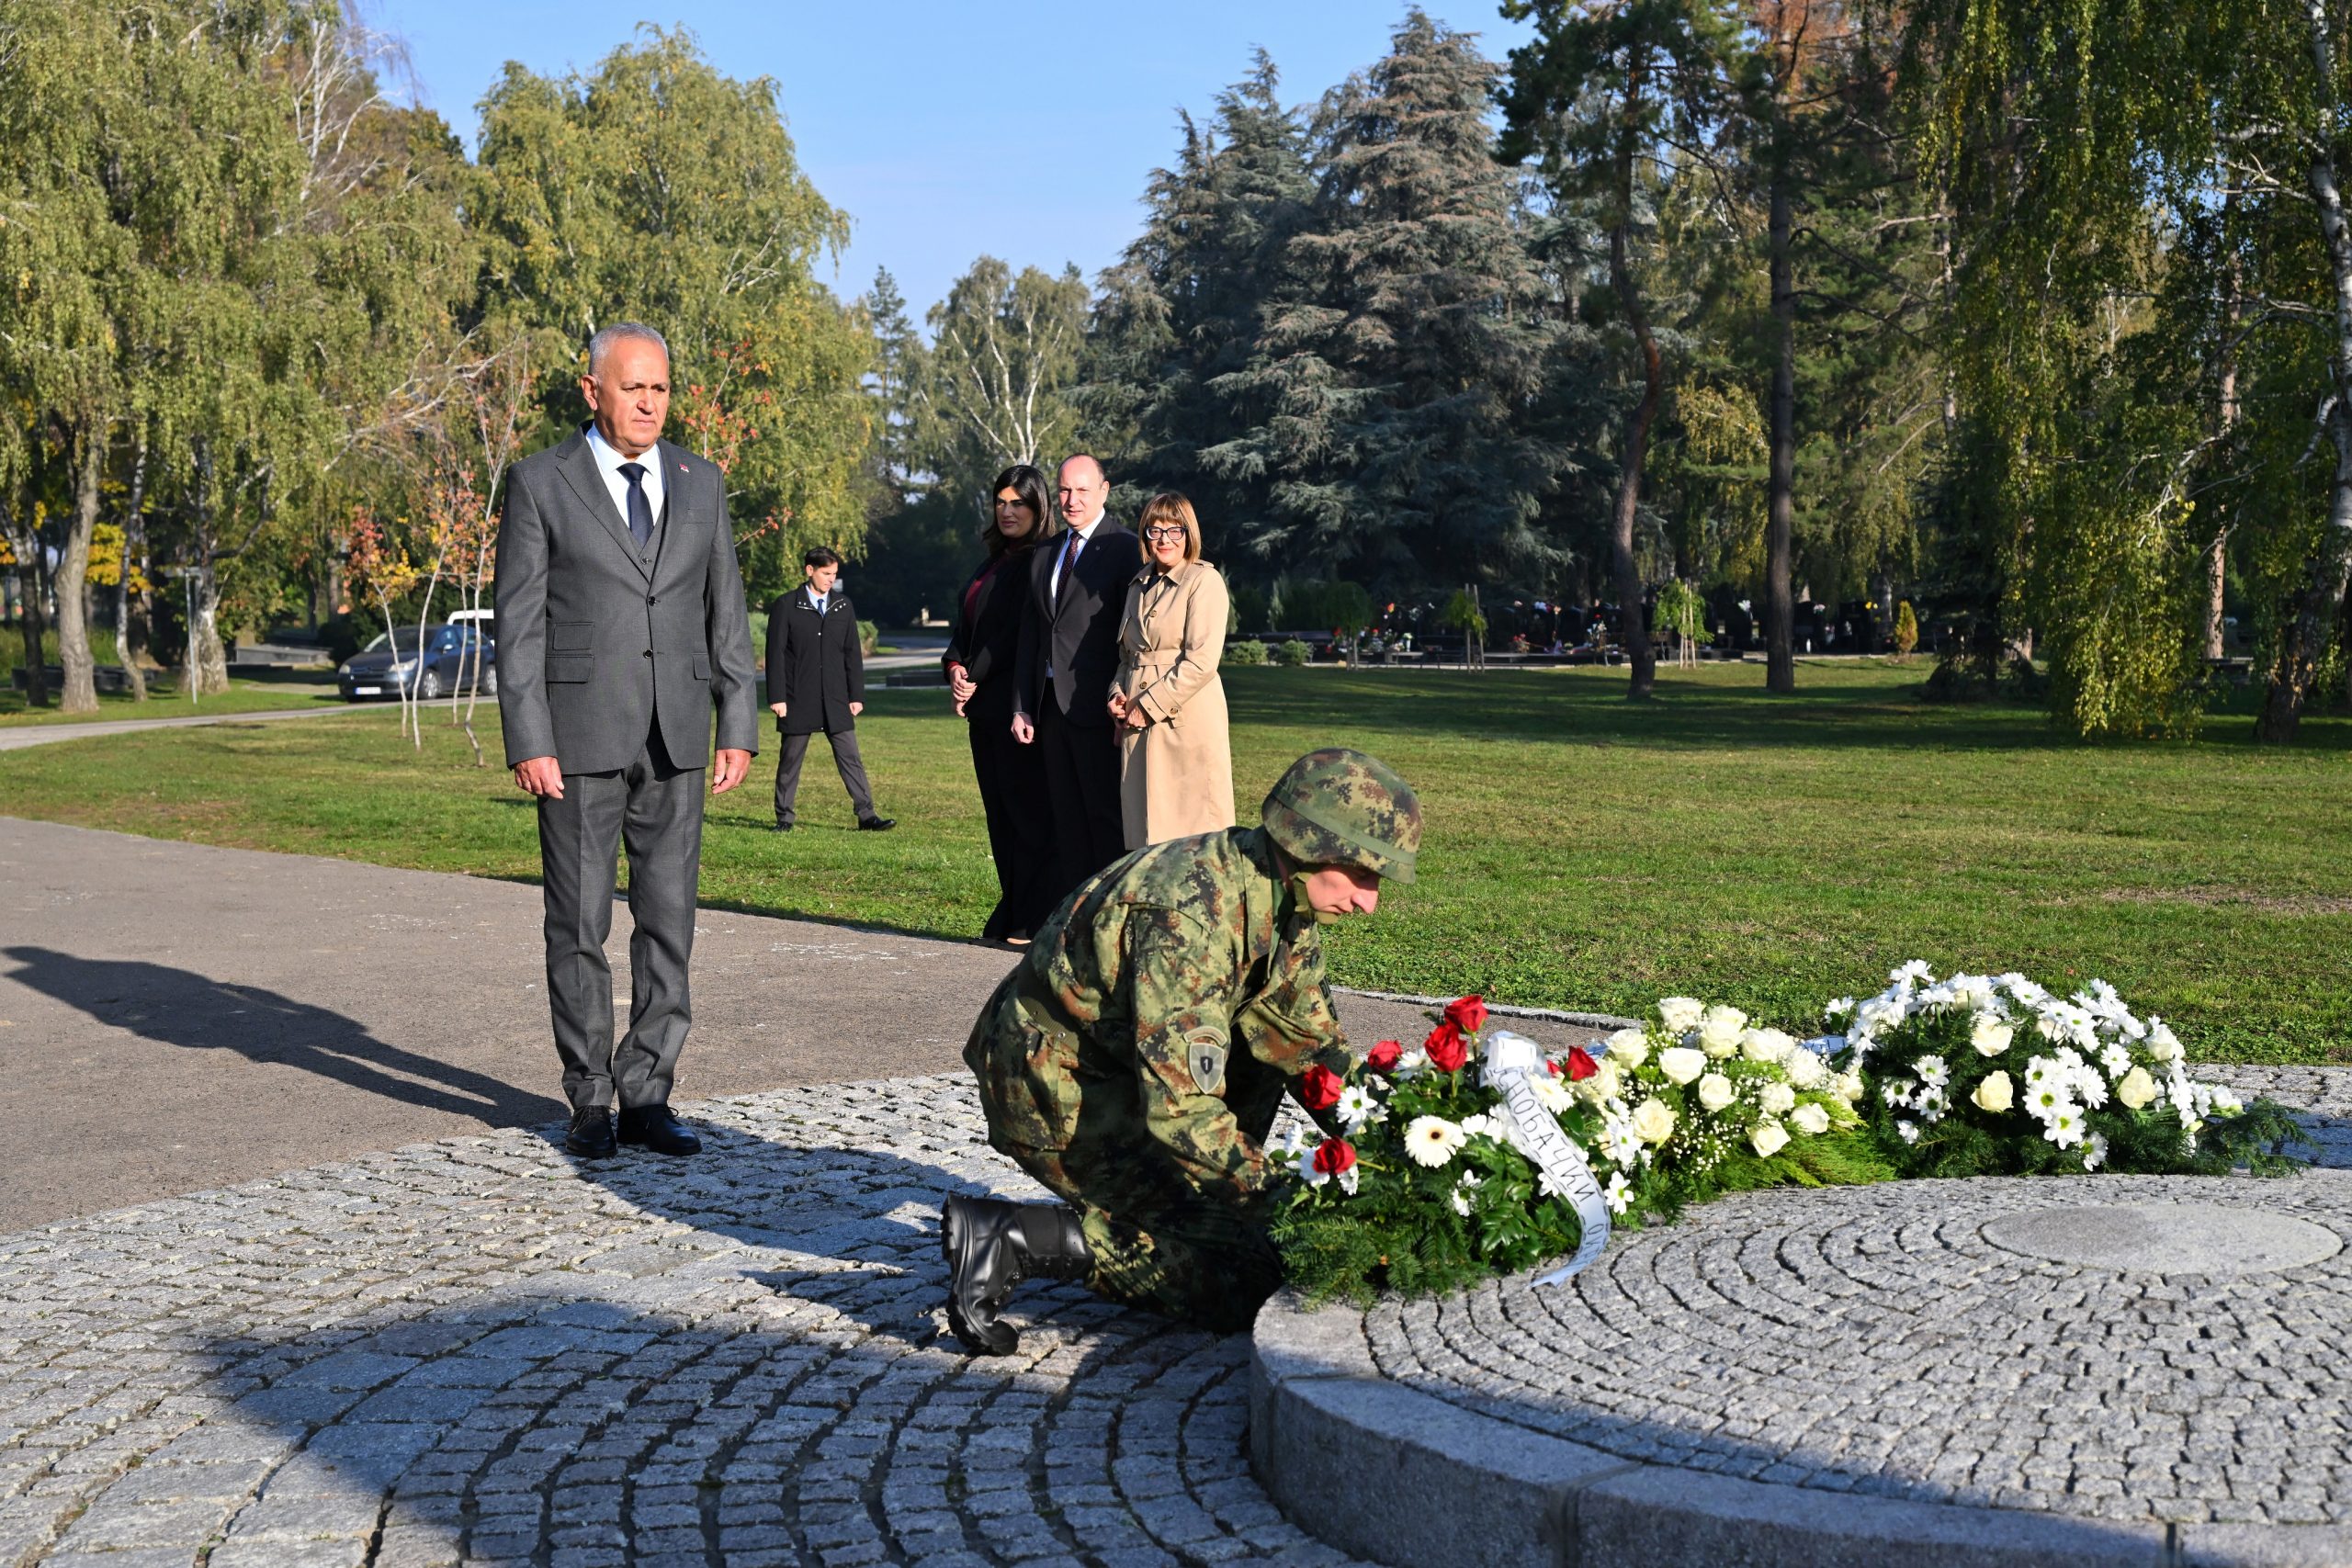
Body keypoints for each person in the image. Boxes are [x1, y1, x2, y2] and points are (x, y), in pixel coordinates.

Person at [943, 748, 1422, 1353]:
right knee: (1257, 1274)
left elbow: (1310, 1052)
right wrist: (1288, 1205)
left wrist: (1414, 1150)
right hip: (1056, 1092)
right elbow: (1182, 1110)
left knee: (1260, 1113)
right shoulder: (1188, 917)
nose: (1369, 901)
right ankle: (1010, 1239)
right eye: (1365, 874)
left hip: (1116, 1072)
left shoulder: (1276, 897)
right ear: (1310, 843)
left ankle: (1185, 1210)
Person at [493, 321, 758, 1162]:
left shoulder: (701, 481)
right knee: (577, 924)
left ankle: (649, 1090)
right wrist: (528, 735)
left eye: (662, 388)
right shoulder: (540, 482)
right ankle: (590, 1098)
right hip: (574, 741)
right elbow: (519, 622)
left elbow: (727, 613)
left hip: (678, 735)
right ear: (592, 390)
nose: (650, 402)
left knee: (669, 921)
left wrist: (738, 723)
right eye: (634, 386)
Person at [1012, 454, 1141, 908]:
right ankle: (1073, 916)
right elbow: (1034, 630)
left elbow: (1130, 635)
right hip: (1049, 709)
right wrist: (1022, 703)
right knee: (1064, 818)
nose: (1072, 499)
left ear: (1104, 492)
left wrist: (1121, 699)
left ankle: (1108, 914)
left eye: (1083, 490)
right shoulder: (1046, 551)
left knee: (1103, 818)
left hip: (1099, 708)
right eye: (1065, 490)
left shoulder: (1125, 547)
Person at [945, 465, 1059, 943]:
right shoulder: (993, 559)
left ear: (1038, 508)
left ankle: (1030, 917)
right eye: (1001, 502)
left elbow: (1015, 632)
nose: (1008, 511)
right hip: (983, 708)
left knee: (1025, 813)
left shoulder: (1037, 560)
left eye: (1019, 503)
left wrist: (974, 673)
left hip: (1017, 704)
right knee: (999, 814)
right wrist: (954, 667)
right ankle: (1012, 907)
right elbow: (966, 630)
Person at [1109, 492, 1234, 849]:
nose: (1164, 539)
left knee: (1191, 836)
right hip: (1138, 729)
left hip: (1184, 724)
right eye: (1155, 530)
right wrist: (1116, 696)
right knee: (1146, 834)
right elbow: (1126, 658)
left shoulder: (1203, 582)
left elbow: (1202, 661)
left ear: (1188, 533)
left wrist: (1147, 706)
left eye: (1174, 530)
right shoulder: (1138, 586)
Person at [765, 547, 893, 834]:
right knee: (790, 761)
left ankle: (867, 816)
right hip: (798, 696)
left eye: (834, 575)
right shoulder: (786, 605)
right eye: (826, 573)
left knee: (851, 758)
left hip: (836, 698)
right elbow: (775, 655)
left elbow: (852, 654)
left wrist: (856, 695)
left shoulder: (843, 606)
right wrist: (777, 697)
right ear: (809, 570)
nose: (830, 580)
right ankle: (784, 818)